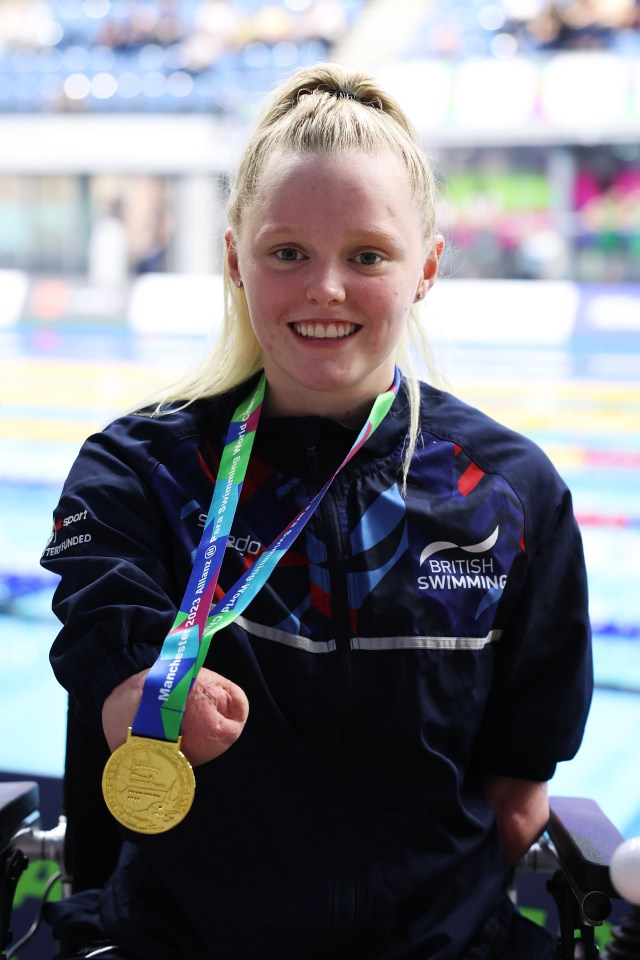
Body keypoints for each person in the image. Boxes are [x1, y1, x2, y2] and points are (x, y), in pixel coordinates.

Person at [41, 63, 592, 960]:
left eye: (367, 256)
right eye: (288, 252)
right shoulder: (138, 472)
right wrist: (139, 697)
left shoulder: (511, 494)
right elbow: (102, 646)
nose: (325, 288)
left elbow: (517, 796)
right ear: (233, 260)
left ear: (427, 269)